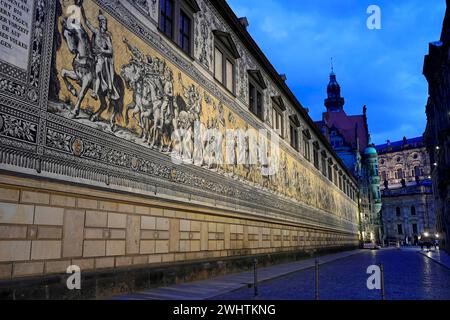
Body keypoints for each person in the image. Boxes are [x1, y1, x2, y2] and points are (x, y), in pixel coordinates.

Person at [81, 7, 119, 101]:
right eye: (104, 23)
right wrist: (81, 9)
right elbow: (87, 23)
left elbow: (110, 51)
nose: (105, 25)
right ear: (101, 23)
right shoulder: (97, 32)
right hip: (93, 55)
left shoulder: (107, 37)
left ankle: (95, 91)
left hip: (101, 57)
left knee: (98, 70)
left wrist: (102, 50)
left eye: (105, 23)